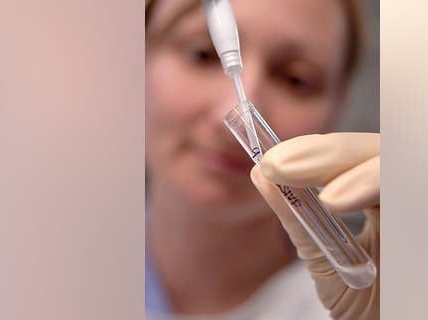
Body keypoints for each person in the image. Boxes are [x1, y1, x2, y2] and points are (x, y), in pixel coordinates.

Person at [145, 0, 380, 319]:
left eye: (296, 79)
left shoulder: (355, 303)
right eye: (201, 54)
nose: (226, 121)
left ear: (338, 108)